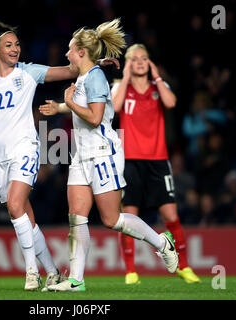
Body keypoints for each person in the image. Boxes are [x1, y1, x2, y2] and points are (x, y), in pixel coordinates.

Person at [0, 21, 116, 291]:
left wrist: (94, 62)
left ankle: (31, 272)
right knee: (22, 215)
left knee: (15, 204)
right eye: (8, 45)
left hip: (24, 148)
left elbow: (69, 70)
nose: (15, 49)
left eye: (17, 44)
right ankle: (53, 272)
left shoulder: (29, 72)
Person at [39, 19, 178, 292]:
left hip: (103, 153)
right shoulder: (85, 75)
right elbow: (86, 106)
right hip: (81, 155)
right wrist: (60, 108)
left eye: (70, 49)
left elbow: (95, 117)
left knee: (112, 220)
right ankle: (76, 280)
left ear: (80, 51)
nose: (66, 54)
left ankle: (163, 243)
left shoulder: (95, 78)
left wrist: (68, 103)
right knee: (76, 217)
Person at [111, 44, 201, 284]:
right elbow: (115, 108)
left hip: (158, 160)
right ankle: (131, 271)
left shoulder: (158, 87)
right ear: (128, 63)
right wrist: (126, 76)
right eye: (135, 59)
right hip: (130, 160)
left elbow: (171, 103)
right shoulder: (121, 87)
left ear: (150, 63)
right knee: (129, 215)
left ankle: (183, 266)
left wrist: (157, 75)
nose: (140, 62)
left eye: (144, 58)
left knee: (171, 214)